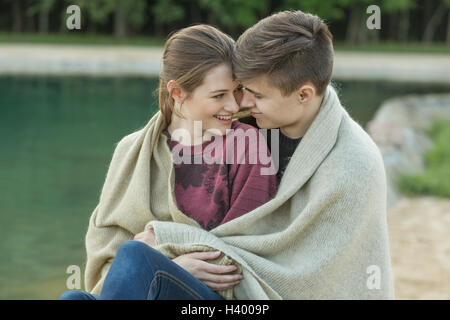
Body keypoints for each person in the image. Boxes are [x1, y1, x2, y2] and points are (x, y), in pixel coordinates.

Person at [144, 10, 395, 299]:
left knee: (138, 261)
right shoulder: (245, 124)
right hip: (214, 283)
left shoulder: (354, 165)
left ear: (303, 95)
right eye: (243, 89)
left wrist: (167, 244)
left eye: (257, 95)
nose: (242, 102)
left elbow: (304, 278)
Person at [59, 24, 277, 300]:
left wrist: (162, 256)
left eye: (236, 91)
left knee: (136, 254)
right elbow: (106, 251)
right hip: (137, 291)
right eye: (219, 95)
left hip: (216, 297)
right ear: (177, 93)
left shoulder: (247, 145)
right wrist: (170, 267)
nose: (234, 107)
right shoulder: (133, 150)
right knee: (73, 299)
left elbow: (254, 247)